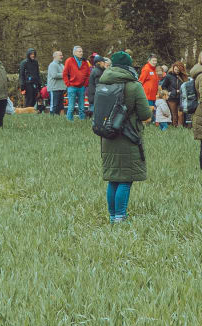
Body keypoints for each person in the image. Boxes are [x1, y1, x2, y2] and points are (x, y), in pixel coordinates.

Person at [94, 51, 152, 222]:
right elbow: (144, 113)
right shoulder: (134, 85)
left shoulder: (103, 83)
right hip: (128, 137)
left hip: (107, 135)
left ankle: (112, 217)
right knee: (126, 179)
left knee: (113, 178)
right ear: (128, 66)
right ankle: (120, 217)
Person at [64, 45, 89, 120]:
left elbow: (88, 74)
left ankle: (82, 120)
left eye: (82, 51)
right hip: (72, 87)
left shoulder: (85, 62)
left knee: (82, 106)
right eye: (79, 51)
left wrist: (85, 85)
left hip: (81, 87)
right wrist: (68, 84)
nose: (81, 53)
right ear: (74, 53)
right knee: (71, 106)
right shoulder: (69, 60)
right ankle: (69, 121)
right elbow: (65, 73)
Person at [47, 49, 66, 118]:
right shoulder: (52, 65)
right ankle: (52, 118)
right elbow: (54, 75)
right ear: (55, 56)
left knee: (60, 106)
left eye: (62, 55)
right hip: (54, 88)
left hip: (61, 88)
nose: (62, 56)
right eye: (60, 55)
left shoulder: (62, 65)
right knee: (54, 105)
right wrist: (65, 74)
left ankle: (57, 120)